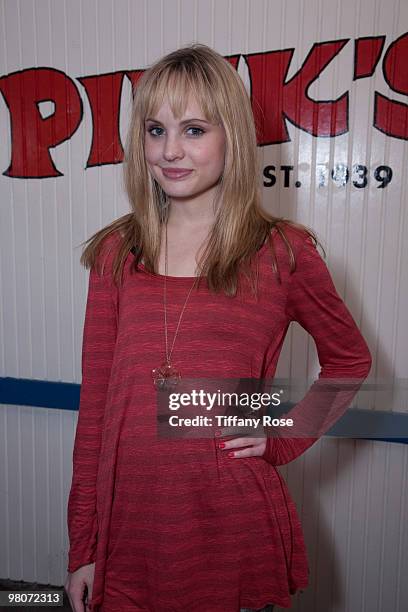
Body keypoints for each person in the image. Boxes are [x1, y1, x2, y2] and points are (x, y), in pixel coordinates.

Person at [64, 43, 372, 612]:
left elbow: (350, 360)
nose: (170, 151)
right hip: (129, 534)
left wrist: (283, 436)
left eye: (194, 130)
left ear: (231, 135)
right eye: (155, 130)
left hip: (230, 529)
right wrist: (83, 544)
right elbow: (96, 411)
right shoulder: (117, 251)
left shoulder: (282, 251)